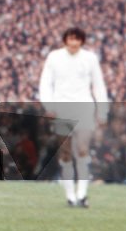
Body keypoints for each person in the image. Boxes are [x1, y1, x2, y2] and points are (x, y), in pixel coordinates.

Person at [38, 27, 109, 207]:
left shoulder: (90, 58)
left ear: (82, 41)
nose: (74, 43)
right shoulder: (54, 57)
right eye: (71, 39)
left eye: (77, 39)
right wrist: (49, 106)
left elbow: (98, 85)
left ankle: (82, 194)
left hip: (84, 108)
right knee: (66, 152)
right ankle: (70, 196)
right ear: (65, 40)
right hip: (62, 109)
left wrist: (102, 111)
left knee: (83, 149)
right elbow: (45, 83)